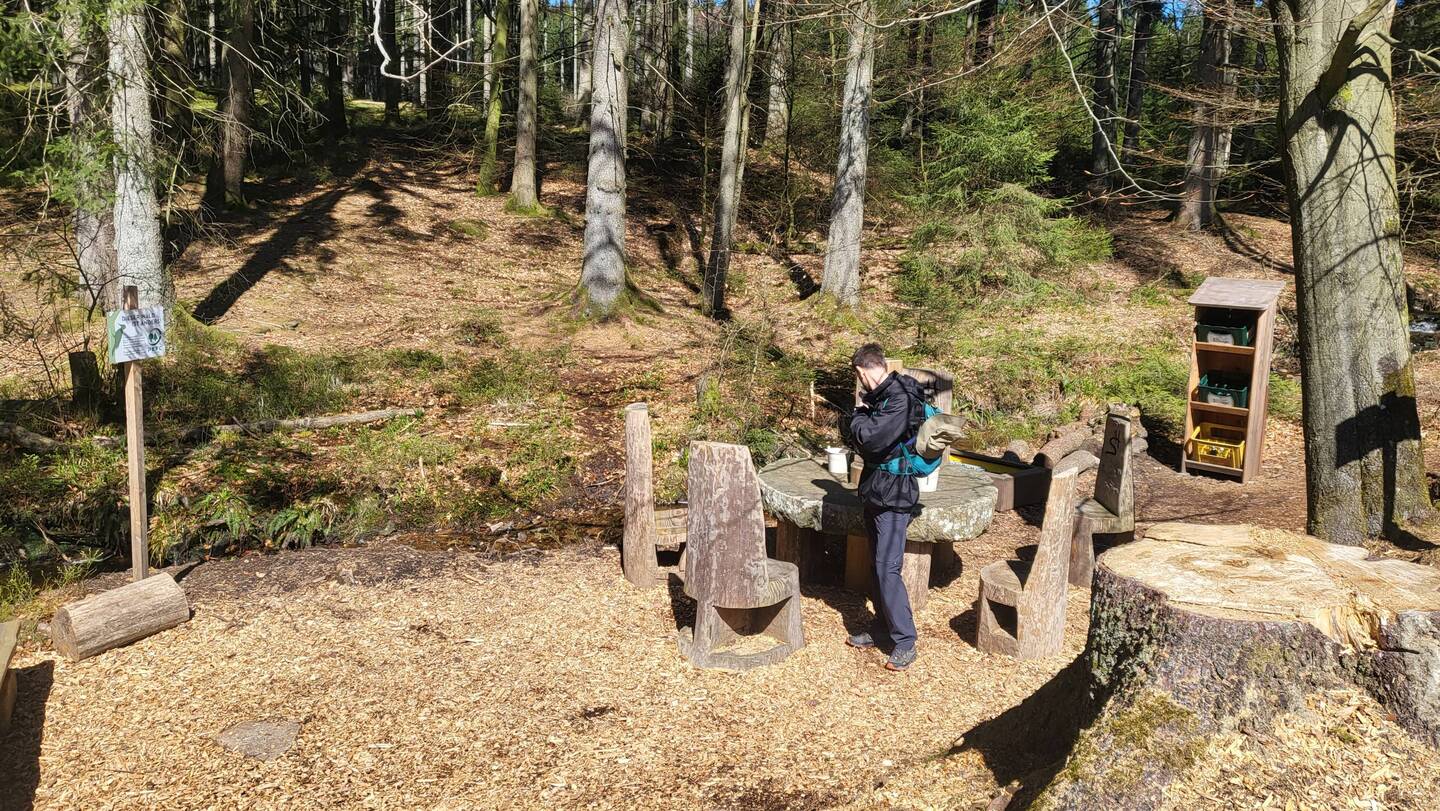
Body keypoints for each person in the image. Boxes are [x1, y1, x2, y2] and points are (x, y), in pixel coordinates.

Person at [841, 343, 927, 671]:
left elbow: (870, 439)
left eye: (858, 376)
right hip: (878, 489)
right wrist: (862, 418)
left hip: (896, 494)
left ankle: (905, 641)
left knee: (887, 568)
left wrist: (857, 418)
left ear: (862, 371)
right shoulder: (884, 396)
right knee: (877, 566)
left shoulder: (900, 398)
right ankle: (881, 628)